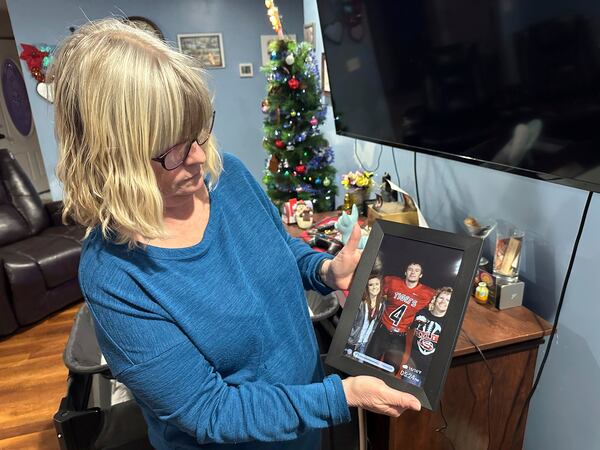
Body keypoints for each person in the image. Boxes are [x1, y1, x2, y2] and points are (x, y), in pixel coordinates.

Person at [50, 19, 420, 450]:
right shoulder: (116, 275)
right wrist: (342, 395)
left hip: (302, 431)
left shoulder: (230, 178)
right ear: (113, 159)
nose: (199, 156)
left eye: (198, 131)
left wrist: (324, 269)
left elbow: (279, 251)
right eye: (171, 149)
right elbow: (208, 410)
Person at [366, 263, 435, 372]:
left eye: (417, 271)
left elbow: (442, 302)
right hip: (382, 330)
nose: (413, 272)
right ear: (405, 272)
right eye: (410, 269)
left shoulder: (428, 293)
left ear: (421, 275)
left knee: (391, 369)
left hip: (400, 336)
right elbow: (374, 291)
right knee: (368, 362)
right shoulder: (392, 282)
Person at [399, 287, 452, 386]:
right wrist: (415, 322)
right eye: (441, 298)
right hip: (413, 367)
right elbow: (406, 327)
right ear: (435, 299)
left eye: (448, 300)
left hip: (432, 372)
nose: (443, 301)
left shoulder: (449, 324)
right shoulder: (421, 313)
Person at [346, 273, 386, 355]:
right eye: (371, 285)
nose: (374, 287)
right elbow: (350, 322)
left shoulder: (382, 305)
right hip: (352, 342)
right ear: (367, 287)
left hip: (365, 343)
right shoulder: (360, 303)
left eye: (377, 284)